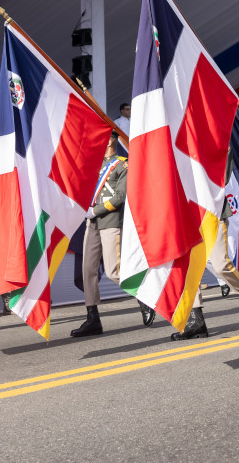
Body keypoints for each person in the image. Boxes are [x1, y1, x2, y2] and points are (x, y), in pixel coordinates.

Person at [170, 157, 239, 341]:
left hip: (213, 212)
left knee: (221, 265)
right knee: (189, 269)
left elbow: (223, 175)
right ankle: (196, 321)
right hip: (187, 213)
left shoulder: (214, 145)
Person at [72, 132, 145, 336]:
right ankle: (93, 318)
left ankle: (145, 296)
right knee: (87, 271)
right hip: (92, 223)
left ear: (113, 140)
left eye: (109, 136)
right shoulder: (94, 165)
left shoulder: (123, 164)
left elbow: (121, 195)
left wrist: (96, 210)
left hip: (110, 220)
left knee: (114, 271)